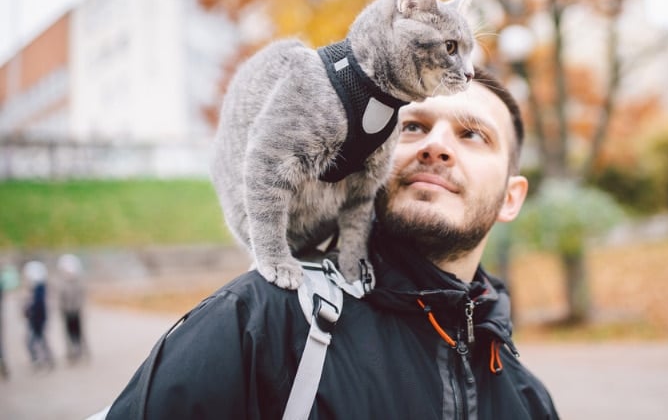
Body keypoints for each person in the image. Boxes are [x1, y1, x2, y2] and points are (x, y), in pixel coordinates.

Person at [104, 68, 559, 419]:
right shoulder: (260, 322)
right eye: (413, 127)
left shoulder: (529, 400)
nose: (436, 147)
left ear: (510, 197)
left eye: (472, 135)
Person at [22, 260, 55, 371]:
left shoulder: (39, 290)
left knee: (35, 341)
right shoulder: (35, 289)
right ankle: (43, 359)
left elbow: (38, 307)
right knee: (35, 341)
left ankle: (43, 360)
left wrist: (30, 311)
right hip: (35, 320)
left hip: (38, 320)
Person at [57, 254, 88, 363]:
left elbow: (81, 297)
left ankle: (83, 352)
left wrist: (78, 308)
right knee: (68, 333)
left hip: (76, 311)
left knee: (79, 332)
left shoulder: (78, 284)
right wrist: (62, 309)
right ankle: (71, 353)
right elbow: (60, 299)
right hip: (66, 312)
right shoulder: (62, 284)